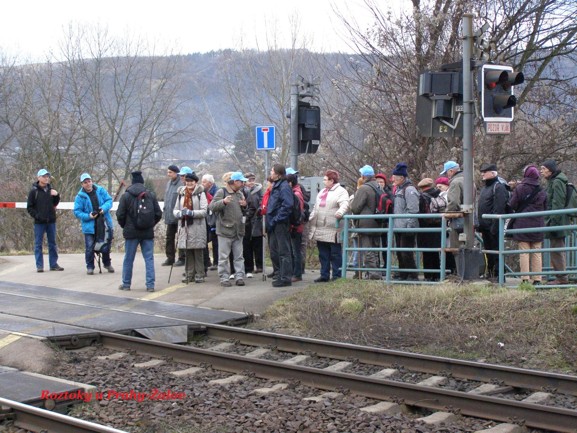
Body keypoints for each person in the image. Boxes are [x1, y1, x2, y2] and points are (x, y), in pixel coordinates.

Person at [116, 171, 162, 292]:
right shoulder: (150, 195)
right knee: (149, 259)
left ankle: (126, 284)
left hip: (131, 233)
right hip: (147, 232)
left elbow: (120, 214)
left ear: (132, 182)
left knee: (128, 258)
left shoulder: (126, 196)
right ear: (142, 181)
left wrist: (125, 226)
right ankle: (150, 285)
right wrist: (150, 224)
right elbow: (158, 213)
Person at [308, 169, 349, 282]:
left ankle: (337, 275)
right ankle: (324, 275)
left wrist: (340, 212)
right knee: (323, 254)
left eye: (325, 179)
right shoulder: (322, 191)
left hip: (333, 227)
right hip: (320, 227)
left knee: (335, 253)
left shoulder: (341, 191)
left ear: (332, 181)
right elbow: (316, 206)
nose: (323, 181)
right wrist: (311, 217)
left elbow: (345, 204)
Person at [509, 165, 547, 285]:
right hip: (538, 224)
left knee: (524, 252)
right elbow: (546, 207)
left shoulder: (520, 188)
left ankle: (525, 279)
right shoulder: (541, 190)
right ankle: (537, 279)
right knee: (537, 252)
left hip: (522, 224)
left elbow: (512, 204)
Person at [208, 171, 248, 287]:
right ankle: (224, 278)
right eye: (241, 181)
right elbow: (212, 207)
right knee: (223, 257)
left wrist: (245, 206)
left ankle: (239, 277)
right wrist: (223, 202)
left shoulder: (240, 193)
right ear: (235, 182)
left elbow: (244, 211)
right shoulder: (222, 192)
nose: (243, 183)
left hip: (238, 230)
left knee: (239, 256)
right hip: (224, 231)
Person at [73, 173, 115, 275]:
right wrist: (88, 216)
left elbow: (109, 201)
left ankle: (107, 263)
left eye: (89, 181)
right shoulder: (79, 197)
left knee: (106, 245)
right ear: (82, 184)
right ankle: (90, 267)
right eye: (85, 182)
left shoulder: (100, 190)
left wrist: (103, 209)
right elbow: (77, 212)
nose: (88, 184)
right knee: (89, 247)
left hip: (104, 223)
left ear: (92, 181)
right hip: (89, 226)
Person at [26, 168, 64, 272]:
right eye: (44, 176)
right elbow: (29, 207)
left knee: (52, 243)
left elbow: (55, 203)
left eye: (47, 176)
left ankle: (53, 264)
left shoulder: (51, 190)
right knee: (38, 244)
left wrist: (57, 195)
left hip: (51, 221)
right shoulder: (33, 192)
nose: (46, 178)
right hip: (39, 222)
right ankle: (39, 266)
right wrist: (37, 216)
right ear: (39, 178)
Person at [173, 172, 208, 284]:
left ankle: (200, 274)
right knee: (187, 251)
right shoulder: (181, 193)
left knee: (198, 251)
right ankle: (189, 274)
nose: (189, 183)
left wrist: (191, 213)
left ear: (195, 182)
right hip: (184, 226)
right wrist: (179, 214)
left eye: (191, 181)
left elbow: (204, 211)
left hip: (197, 227)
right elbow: (175, 209)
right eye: (187, 181)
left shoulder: (201, 193)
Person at [477, 163, 510, 280]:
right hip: (485, 226)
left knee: (496, 251)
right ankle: (491, 273)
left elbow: (499, 207)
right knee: (489, 252)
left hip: (493, 226)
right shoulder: (486, 188)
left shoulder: (498, 187)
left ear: (492, 173)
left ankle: (498, 275)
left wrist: (495, 226)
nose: (482, 174)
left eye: (484, 172)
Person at [350, 165, 382, 280]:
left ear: (363, 176)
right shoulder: (378, 186)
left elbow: (355, 207)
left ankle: (373, 274)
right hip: (378, 223)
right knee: (375, 250)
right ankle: (376, 273)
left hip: (366, 224)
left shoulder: (364, 188)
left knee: (368, 251)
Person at [540, 159, 570, 285]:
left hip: (557, 221)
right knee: (556, 249)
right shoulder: (555, 181)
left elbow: (558, 203)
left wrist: (553, 222)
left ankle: (562, 278)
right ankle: (561, 276)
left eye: (543, 169)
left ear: (550, 170)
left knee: (556, 249)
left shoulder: (557, 182)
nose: (541, 171)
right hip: (557, 220)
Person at [265, 164, 294, 287]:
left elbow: (287, 205)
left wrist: (277, 219)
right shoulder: (277, 186)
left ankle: (285, 278)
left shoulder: (284, 187)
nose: (270, 173)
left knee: (284, 251)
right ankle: (280, 274)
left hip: (280, 223)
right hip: (274, 223)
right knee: (276, 250)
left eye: (272, 171)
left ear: (278, 174)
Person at [391, 162, 420, 281]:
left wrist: (409, 226)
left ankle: (412, 276)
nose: (393, 179)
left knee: (406, 252)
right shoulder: (399, 190)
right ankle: (403, 274)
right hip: (398, 226)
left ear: (402, 178)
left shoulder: (409, 190)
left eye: (395, 177)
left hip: (407, 227)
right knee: (399, 252)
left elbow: (413, 209)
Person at [417, 178, 444, 281]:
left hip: (425, 227)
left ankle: (428, 276)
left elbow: (420, 212)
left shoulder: (423, 197)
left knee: (427, 253)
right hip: (438, 226)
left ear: (422, 187)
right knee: (435, 252)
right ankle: (437, 275)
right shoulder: (439, 194)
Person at [162, 164, 185, 267]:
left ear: (176, 173)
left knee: (181, 238)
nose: (168, 174)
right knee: (169, 237)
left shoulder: (181, 184)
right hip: (169, 215)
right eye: (168, 172)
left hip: (178, 216)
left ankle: (182, 258)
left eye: (170, 172)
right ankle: (170, 258)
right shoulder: (168, 184)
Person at [243, 172, 264, 276]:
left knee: (257, 244)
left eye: (253, 180)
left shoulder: (259, 190)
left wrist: (259, 209)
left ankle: (259, 266)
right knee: (247, 245)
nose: (251, 182)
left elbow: (262, 201)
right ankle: (249, 267)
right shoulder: (242, 191)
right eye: (249, 180)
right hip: (246, 220)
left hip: (256, 220)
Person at [286, 172, 306, 282]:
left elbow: (297, 211)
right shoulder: (294, 192)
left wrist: (293, 224)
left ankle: (297, 273)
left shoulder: (296, 194)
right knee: (293, 250)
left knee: (295, 251)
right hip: (294, 226)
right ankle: (294, 272)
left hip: (296, 227)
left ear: (290, 183)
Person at [202, 173, 219, 271]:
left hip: (214, 219)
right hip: (207, 218)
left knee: (215, 242)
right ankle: (207, 261)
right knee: (206, 240)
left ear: (210, 183)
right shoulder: (204, 191)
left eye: (204, 182)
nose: (202, 184)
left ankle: (216, 262)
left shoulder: (216, 191)